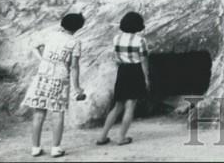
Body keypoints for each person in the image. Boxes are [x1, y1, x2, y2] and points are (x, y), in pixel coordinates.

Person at [22, 13, 86, 158]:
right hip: (60, 78)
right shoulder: (75, 42)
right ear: (78, 27)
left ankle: (35, 148)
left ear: (63, 23)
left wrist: (43, 59)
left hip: (42, 77)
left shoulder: (51, 35)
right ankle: (56, 148)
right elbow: (74, 67)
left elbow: (34, 47)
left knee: (39, 113)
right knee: (57, 113)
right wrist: (77, 87)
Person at [96, 11, 150, 147]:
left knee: (117, 106)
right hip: (136, 70)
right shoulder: (140, 41)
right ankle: (121, 137)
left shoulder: (116, 39)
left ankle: (102, 136)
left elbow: (116, 58)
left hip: (123, 71)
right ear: (139, 25)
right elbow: (144, 61)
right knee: (130, 105)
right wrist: (146, 78)